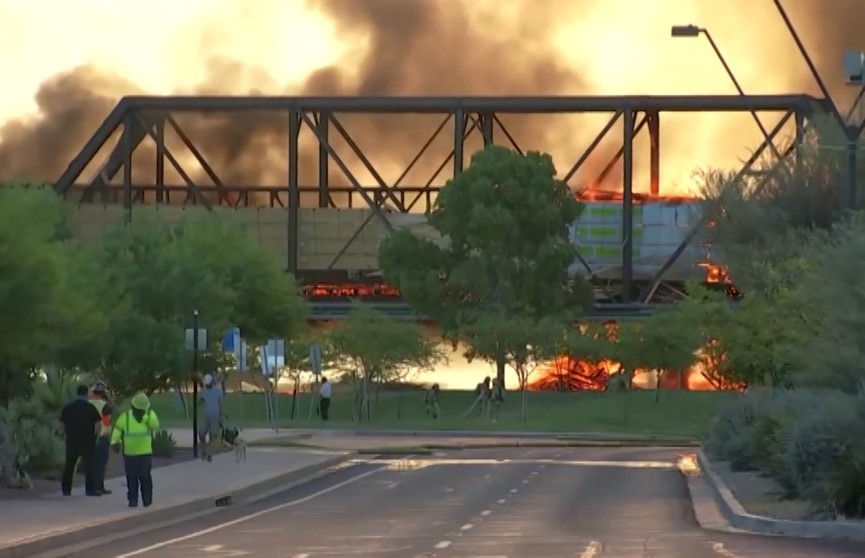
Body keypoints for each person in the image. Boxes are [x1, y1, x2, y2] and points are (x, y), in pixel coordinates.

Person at [111, 392, 160, 508]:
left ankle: (147, 499)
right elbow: (117, 430)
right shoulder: (126, 417)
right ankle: (133, 500)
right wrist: (114, 442)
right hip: (130, 453)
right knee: (131, 478)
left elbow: (155, 426)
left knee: (145, 476)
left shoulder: (149, 415)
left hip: (145, 453)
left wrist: (147, 417)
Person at [59, 385, 103, 497]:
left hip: (72, 440)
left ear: (77, 393)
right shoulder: (90, 408)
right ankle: (90, 490)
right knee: (89, 465)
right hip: (87, 440)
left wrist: (64, 435)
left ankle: (66, 489)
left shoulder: (68, 408)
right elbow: (97, 424)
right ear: (86, 394)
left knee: (69, 465)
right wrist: (96, 436)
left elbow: (61, 424)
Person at [88, 381, 114, 495]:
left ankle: (91, 487)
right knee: (100, 464)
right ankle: (99, 486)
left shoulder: (87, 404)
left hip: (88, 437)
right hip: (102, 437)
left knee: (91, 463)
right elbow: (106, 422)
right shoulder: (105, 406)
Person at [198, 374, 224, 462]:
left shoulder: (218, 391)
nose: (207, 385)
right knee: (201, 434)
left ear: (212, 382)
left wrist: (221, 417)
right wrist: (200, 401)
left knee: (213, 436)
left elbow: (221, 404)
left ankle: (208, 453)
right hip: (205, 416)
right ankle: (203, 450)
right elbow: (198, 403)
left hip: (215, 416)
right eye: (206, 384)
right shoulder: (202, 391)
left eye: (208, 383)